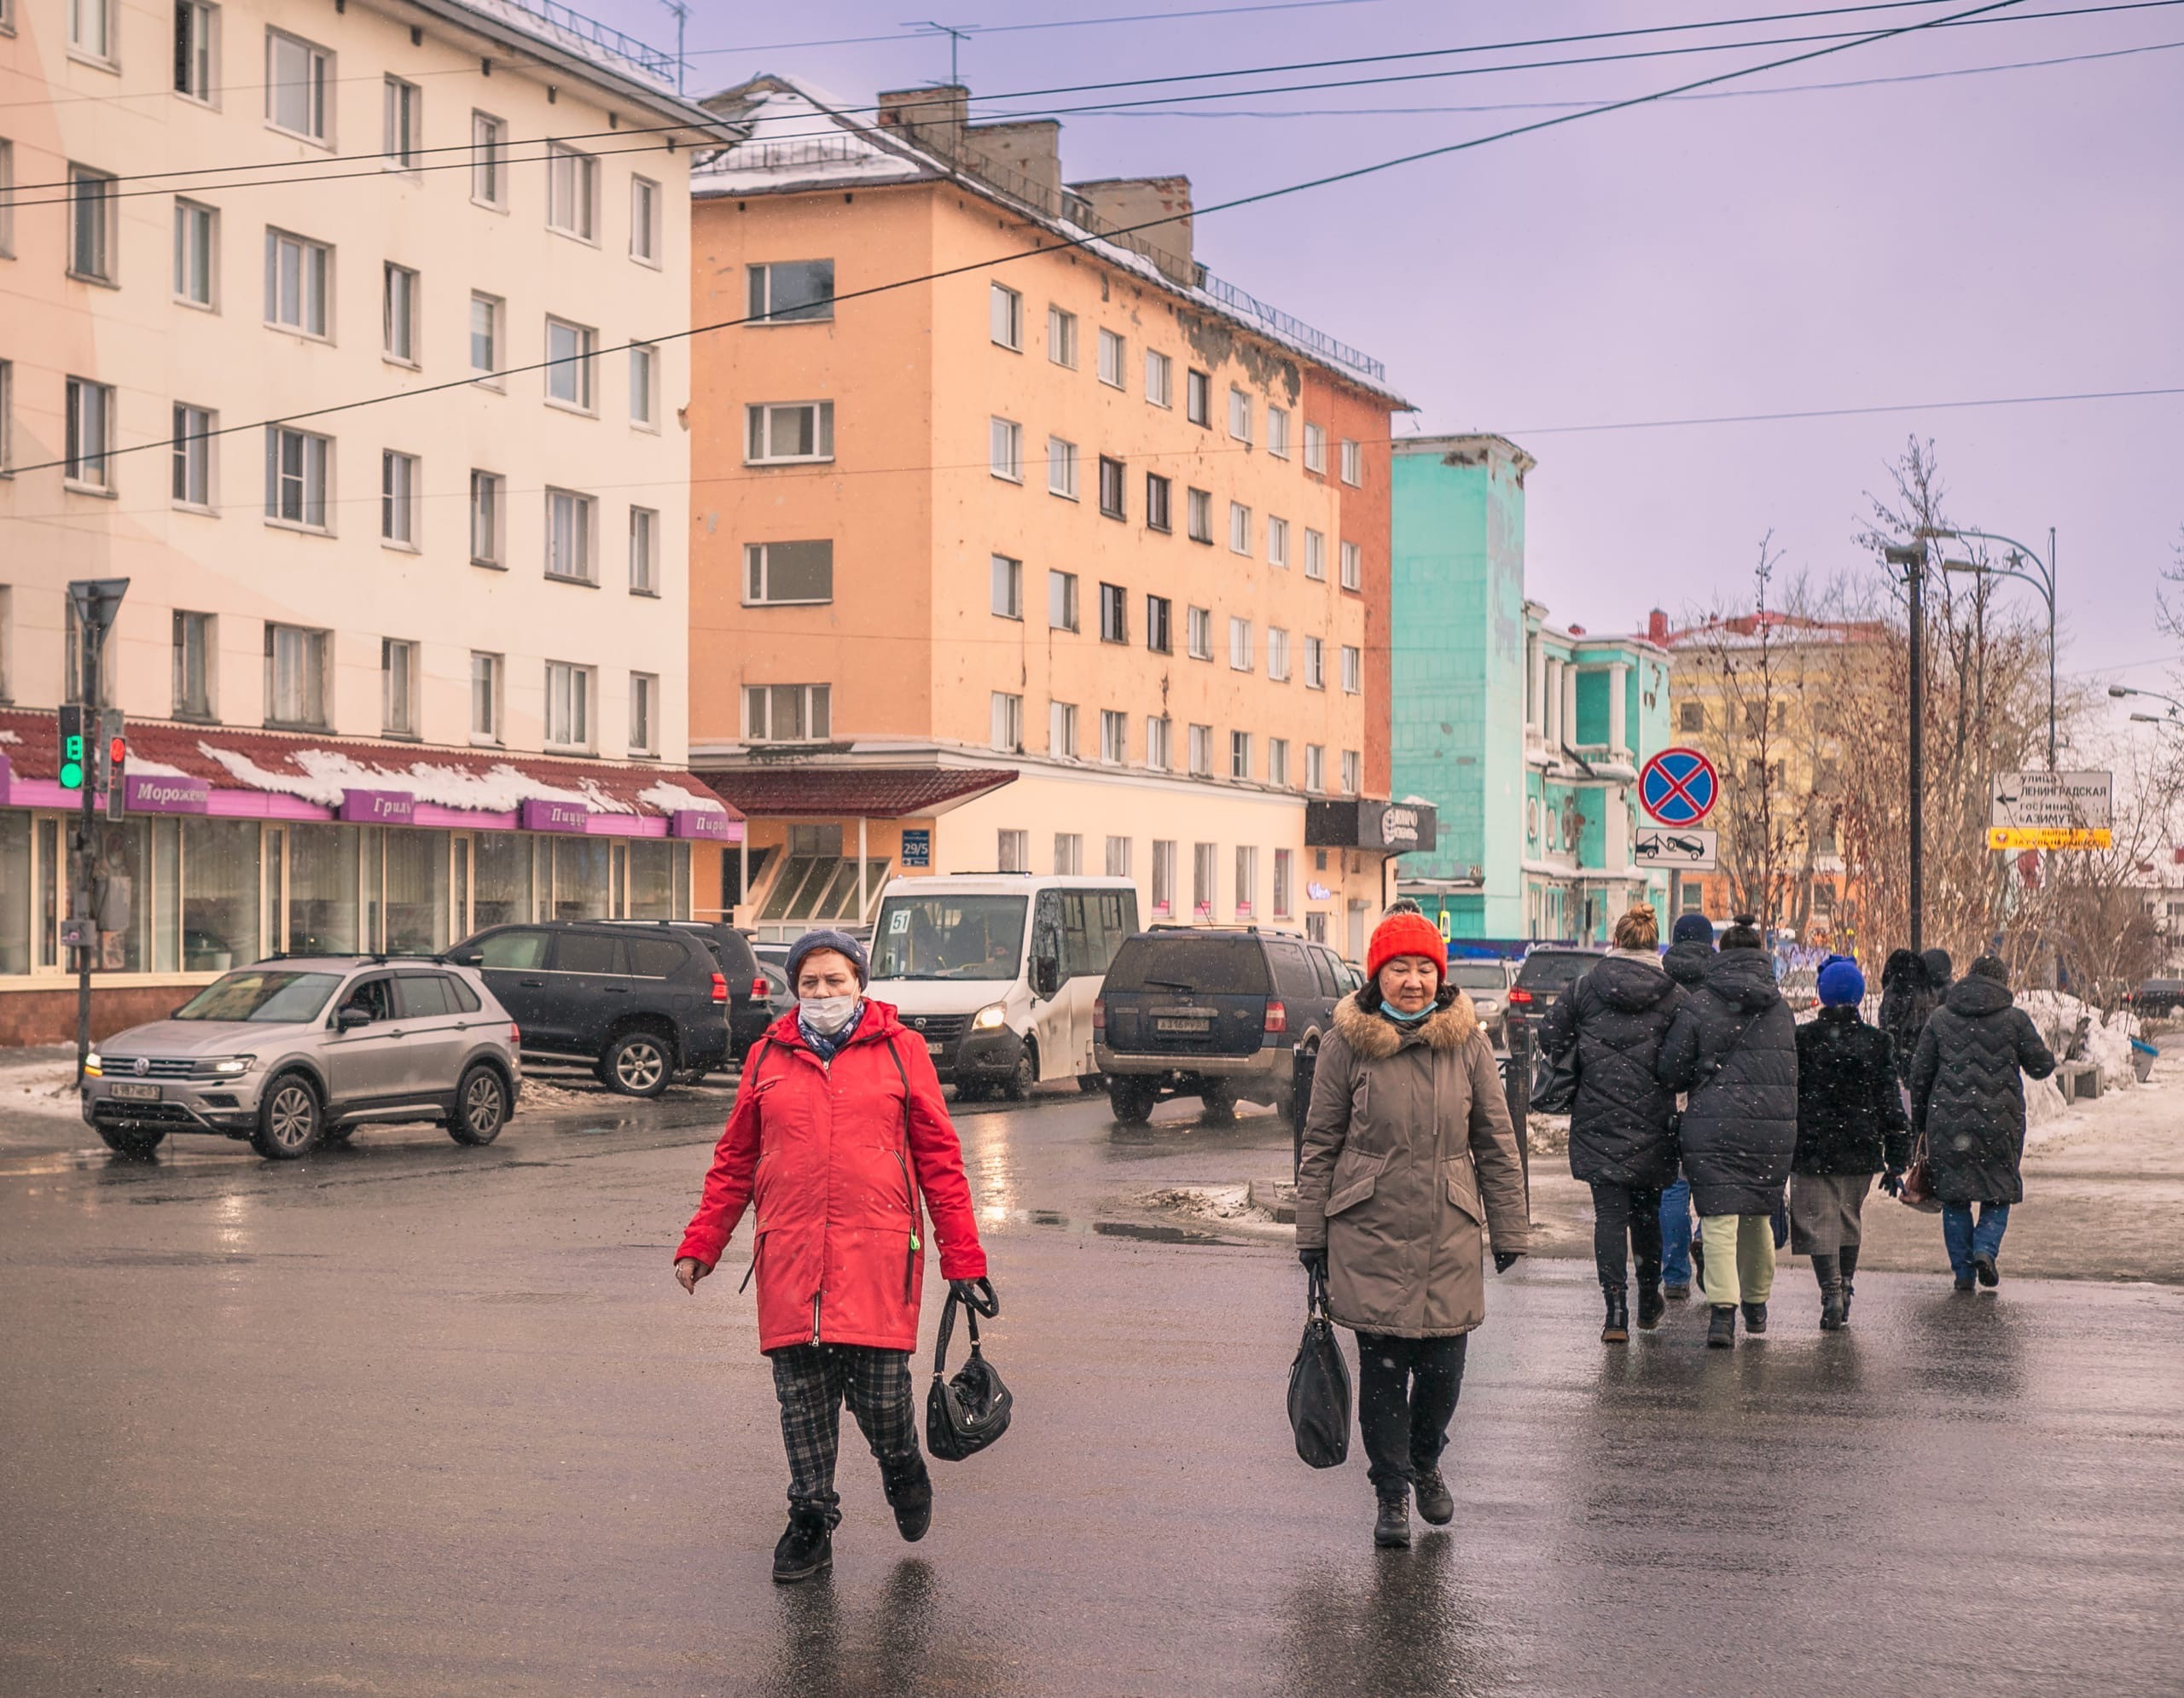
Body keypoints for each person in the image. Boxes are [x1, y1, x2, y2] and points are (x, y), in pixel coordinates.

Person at [673, 928, 992, 1584]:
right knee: (803, 1402)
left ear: (859, 984)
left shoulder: (902, 1052)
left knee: (881, 1400)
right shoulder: (766, 1056)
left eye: (835, 981)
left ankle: (901, 1462)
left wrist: (964, 1259)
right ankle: (811, 1521)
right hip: (788, 1256)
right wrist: (704, 1243)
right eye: (810, 983)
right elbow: (735, 1161)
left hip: (878, 1256)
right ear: (796, 987)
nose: (822, 994)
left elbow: (940, 1161)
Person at [1294, 910, 1529, 1550]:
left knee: (1444, 1371)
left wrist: (1510, 1228)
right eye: (1400, 968)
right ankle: (1391, 1492)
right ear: (1377, 976)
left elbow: (1496, 1143)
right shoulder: (1346, 1045)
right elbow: (1320, 1144)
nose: (1414, 981)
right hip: (1368, 1229)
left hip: (1449, 1225)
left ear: (1440, 977)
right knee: (1383, 1372)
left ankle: (1427, 1460)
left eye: (1425, 969)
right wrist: (1311, 1233)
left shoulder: (1468, 1044)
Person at [1539, 903, 1684, 1343]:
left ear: (1616, 942)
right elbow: (1682, 1060)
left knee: (1609, 1216)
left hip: (1597, 1120)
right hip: (1653, 1123)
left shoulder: (1584, 988)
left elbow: (1550, 1035)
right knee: (1647, 1215)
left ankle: (1615, 1311)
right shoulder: (1675, 994)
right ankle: (1646, 1298)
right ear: (1654, 945)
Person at [1656, 915, 1798, 1349]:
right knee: (1757, 1217)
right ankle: (1757, 1306)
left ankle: (1722, 1315)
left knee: (1718, 1220)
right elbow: (1792, 1071)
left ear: (1721, 954)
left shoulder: (1700, 1003)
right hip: (1771, 1128)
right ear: (1761, 955)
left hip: (1713, 1126)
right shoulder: (1781, 1008)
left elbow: (1671, 1070)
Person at [1908, 954, 2057, 1292]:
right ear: (2002, 983)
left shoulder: (1940, 1018)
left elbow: (1919, 1075)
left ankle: (1963, 1273)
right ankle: (1985, 1250)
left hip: (1948, 1123)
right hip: (1999, 1123)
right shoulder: (2015, 1020)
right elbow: (2041, 1066)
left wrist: (1920, 1124)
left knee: (1955, 1198)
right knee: (1997, 1192)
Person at [1792, 957, 1909, 1329]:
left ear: (1822, 995)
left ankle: (1830, 1291)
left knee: (1816, 1221)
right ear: (1859, 996)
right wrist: (1897, 1155)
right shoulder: (1877, 1043)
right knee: (1848, 1218)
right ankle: (1846, 1287)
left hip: (1813, 1147)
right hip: (1860, 1147)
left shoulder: (1803, 1040)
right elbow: (1891, 1101)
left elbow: (1790, 1096)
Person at [1658, 911, 1717, 1298]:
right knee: (1712, 1185)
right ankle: (1705, 1239)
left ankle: (1675, 1274)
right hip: (1713, 1093)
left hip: (1669, 1094)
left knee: (1674, 1186)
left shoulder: (1662, 981)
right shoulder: (1721, 983)